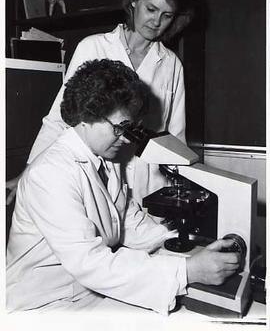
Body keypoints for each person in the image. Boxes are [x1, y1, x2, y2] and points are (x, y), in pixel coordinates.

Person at [6, 59, 240, 314]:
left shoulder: (107, 160)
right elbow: (90, 263)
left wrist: (184, 245)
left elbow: (130, 224)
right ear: (86, 115)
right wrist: (187, 271)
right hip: (41, 304)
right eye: (120, 128)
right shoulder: (51, 174)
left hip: (88, 291)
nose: (127, 139)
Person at [6, 0, 193, 206]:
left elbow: (175, 140)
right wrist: (27, 174)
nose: (156, 21)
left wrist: (177, 199)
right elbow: (59, 120)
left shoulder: (171, 65)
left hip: (148, 187)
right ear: (135, 0)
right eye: (151, 9)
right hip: (95, 180)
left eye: (166, 15)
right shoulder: (92, 47)